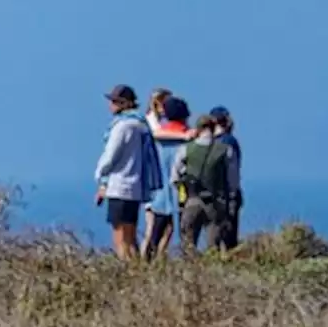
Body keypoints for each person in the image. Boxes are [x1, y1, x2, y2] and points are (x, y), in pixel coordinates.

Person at [95, 84, 163, 262]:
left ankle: (126, 268)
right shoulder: (142, 125)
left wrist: (100, 173)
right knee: (131, 234)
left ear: (123, 104)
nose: (110, 105)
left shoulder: (122, 127)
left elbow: (111, 155)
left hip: (119, 186)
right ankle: (137, 268)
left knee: (120, 236)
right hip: (136, 187)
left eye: (114, 101)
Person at [169, 114, 240, 257]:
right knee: (213, 248)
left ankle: (190, 273)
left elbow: (174, 178)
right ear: (213, 129)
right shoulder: (226, 150)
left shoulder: (185, 149)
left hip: (192, 200)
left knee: (188, 246)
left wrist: (184, 193)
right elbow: (233, 180)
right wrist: (230, 199)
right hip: (216, 204)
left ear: (197, 129)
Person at [143, 90, 196, 260]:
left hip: (160, 193)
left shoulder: (159, 136)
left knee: (155, 234)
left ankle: (145, 267)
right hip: (183, 192)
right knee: (186, 234)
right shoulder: (189, 138)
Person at [209, 106, 243, 248]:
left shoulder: (219, 142)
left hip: (220, 194)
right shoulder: (230, 141)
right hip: (229, 192)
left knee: (217, 235)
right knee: (228, 236)